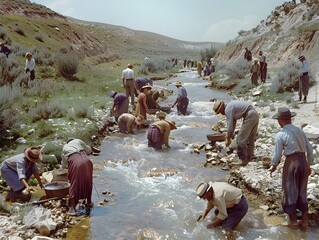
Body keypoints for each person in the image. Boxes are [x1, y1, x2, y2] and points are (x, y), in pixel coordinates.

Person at [268, 108, 313, 229]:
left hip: (292, 163)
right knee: (302, 191)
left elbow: (277, 154)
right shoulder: (300, 130)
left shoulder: (281, 134)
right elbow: (310, 149)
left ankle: (293, 221)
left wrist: (273, 165)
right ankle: (304, 220)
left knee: (290, 190)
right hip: (303, 161)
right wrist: (309, 164)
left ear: (280, 120)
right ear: (290, 118)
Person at [213, 100, 259, 166]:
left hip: (250, 115)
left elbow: (230, 125)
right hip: (254, 114)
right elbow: (233, 124)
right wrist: (230, 136)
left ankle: (243, 159)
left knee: (240, 139)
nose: (221, 114)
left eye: (220, 112)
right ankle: (250, 156)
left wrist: (228, 138)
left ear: (221, 109)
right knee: (250, 137)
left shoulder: (227, 109)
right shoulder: (230, 106)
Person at [61, 138, 94, 215]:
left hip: (76, 162)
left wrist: (63, 168)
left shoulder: (65, 147)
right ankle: (89, 202)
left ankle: (72, 208)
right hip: (87, 161)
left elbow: (64, 163)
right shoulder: (78, 141)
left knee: (74, 182)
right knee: (88, 180)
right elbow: (88, 150)